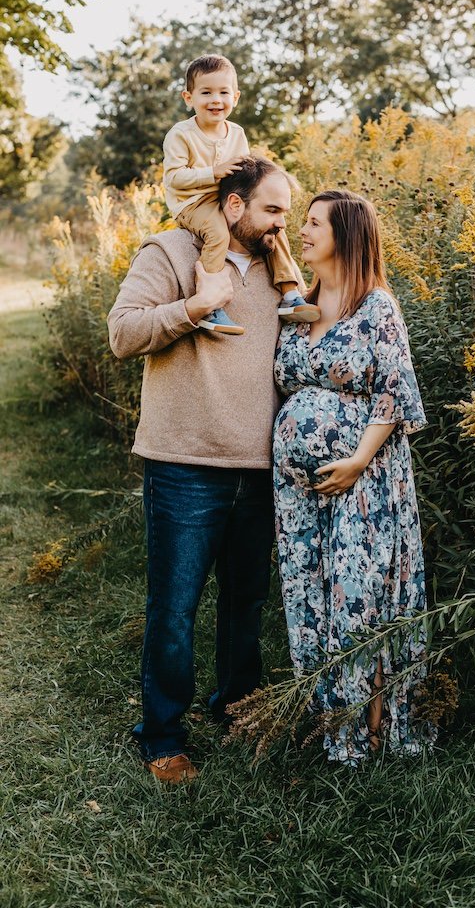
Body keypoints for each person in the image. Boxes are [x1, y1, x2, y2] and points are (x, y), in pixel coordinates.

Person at [108, 157, 302, 784]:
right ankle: (163, 735)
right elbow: (123, 333)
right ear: (235, 206)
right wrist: (196, 306)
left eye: (288, 214)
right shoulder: (170, 251)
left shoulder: (282, 270)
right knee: (174, 607)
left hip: (262, 463)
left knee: (245, 602)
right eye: (272, 211)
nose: (282, 225)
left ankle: (239, 710)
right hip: (186, 461)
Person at [272, 190, 435, 765]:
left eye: (315, 223)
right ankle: (331, 724)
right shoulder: (304, 304)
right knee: (310, 592)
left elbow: (396, 392)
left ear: (347, 234)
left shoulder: (377, 307)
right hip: (297, 491)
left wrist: (359, 459)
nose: (303, 230)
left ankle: (373, 730)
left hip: (364, 482)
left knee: (359, 595)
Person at [163, 53, 318, 333]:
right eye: (206, 92)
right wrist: (213, 172)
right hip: (193, 203)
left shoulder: (236, 133)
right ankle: (210, 304)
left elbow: (248, 171)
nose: (216, 100)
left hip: (227, 198)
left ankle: (290, 292)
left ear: (235, 97)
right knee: (218, 233)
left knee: (270, 225)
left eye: (223, 92)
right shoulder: (181, 134)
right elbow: (174, 178)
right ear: (189, 97)